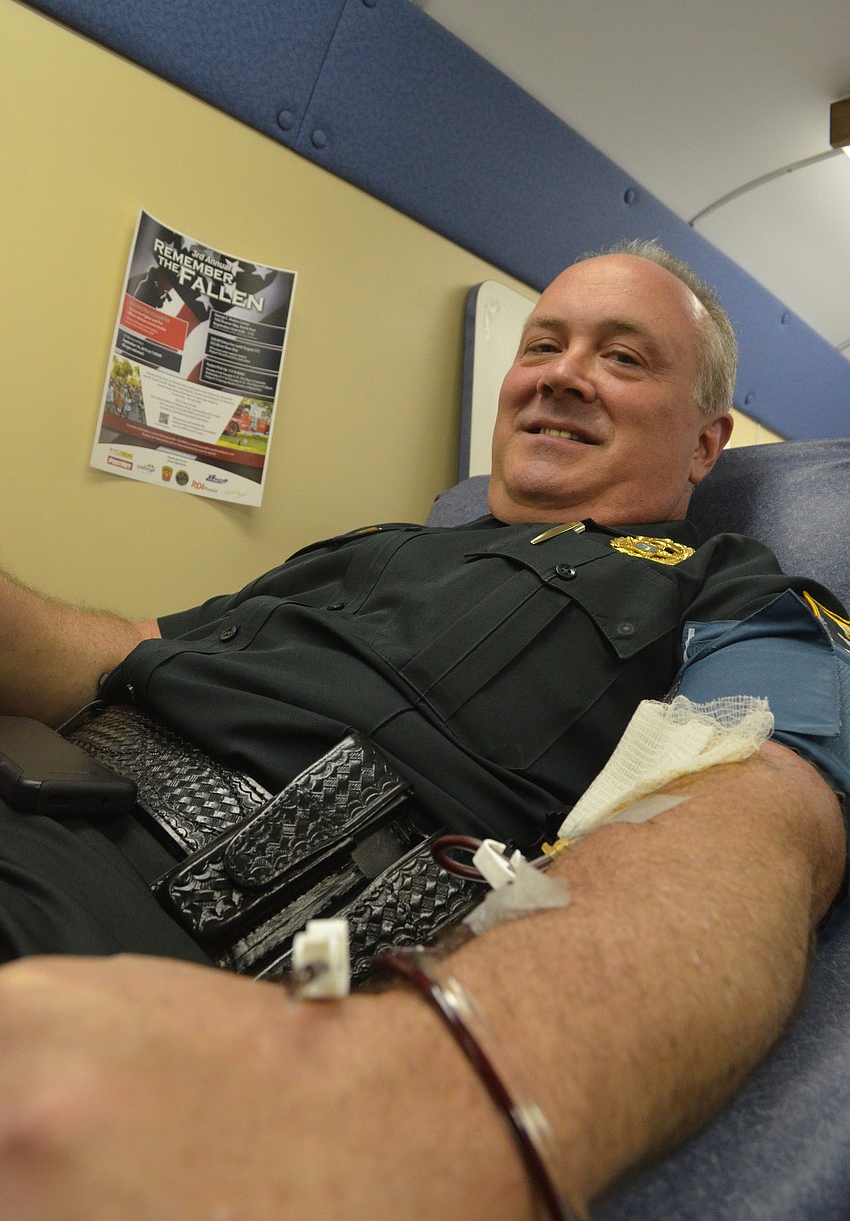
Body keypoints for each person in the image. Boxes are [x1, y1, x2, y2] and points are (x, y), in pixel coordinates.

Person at [0, 241, 846, 1219]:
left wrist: (427, 1090)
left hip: (191, 933)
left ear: (705, 444)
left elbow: (753, 814)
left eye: (621, 357)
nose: (561, 374)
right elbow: (124, 652)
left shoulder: (728, 589)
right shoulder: (379, 545)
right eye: (543, 344)